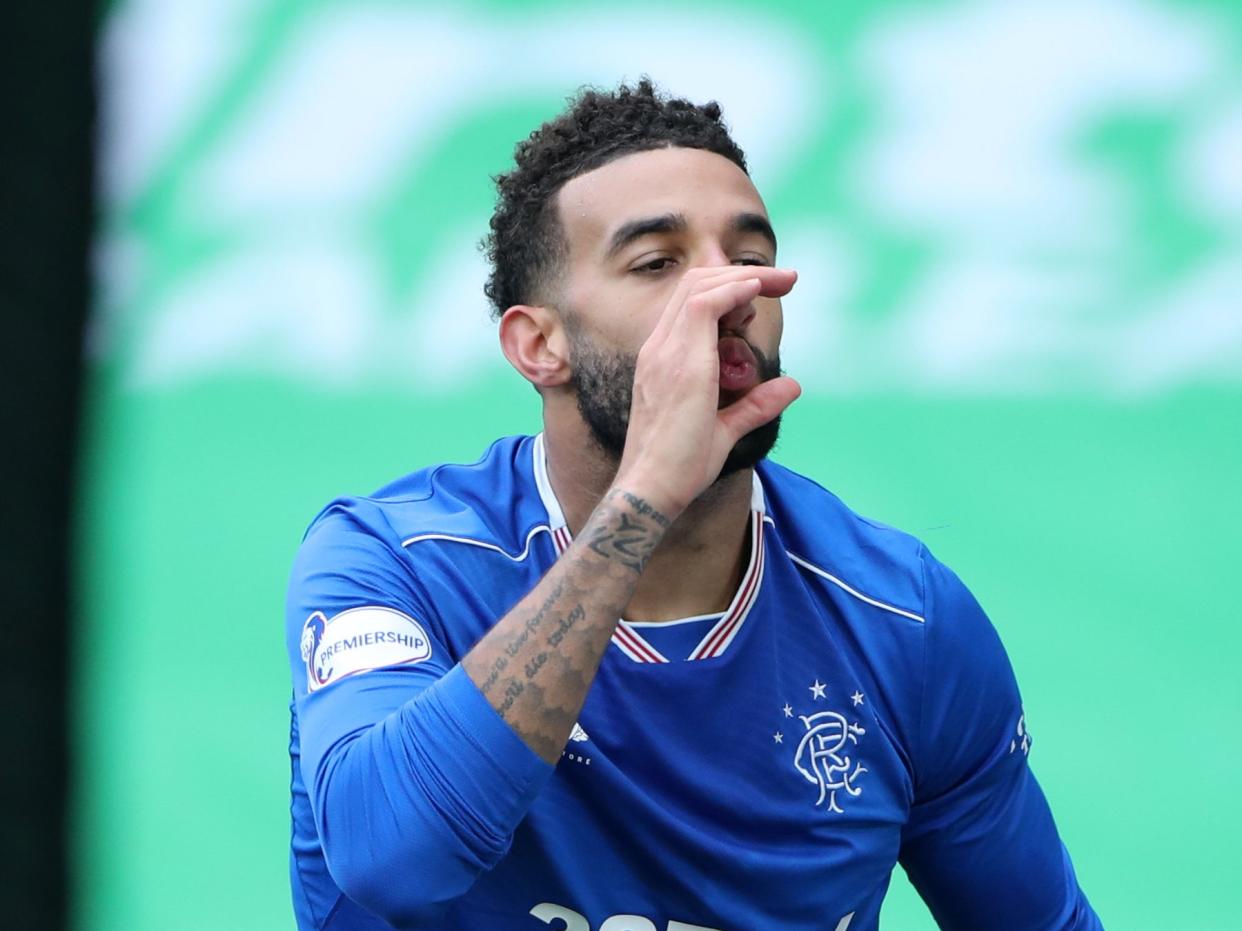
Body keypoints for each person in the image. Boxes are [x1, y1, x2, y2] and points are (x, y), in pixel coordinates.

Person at [286, 79, 1102, 931]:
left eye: (749, 257)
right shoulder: (395, 561)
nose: (729, 292)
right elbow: (392, 856)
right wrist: (643, 498)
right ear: (539, 345)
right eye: (657, 263)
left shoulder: (902, 619)